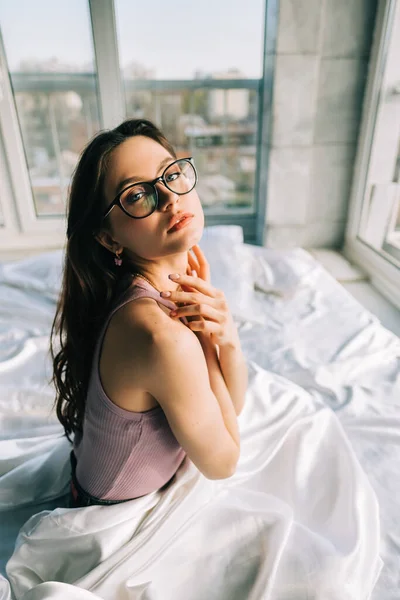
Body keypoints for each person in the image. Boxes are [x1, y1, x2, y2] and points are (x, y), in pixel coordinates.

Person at [50, 118, 248, 508]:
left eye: (170, 174)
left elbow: (229, 409)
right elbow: (224, 462)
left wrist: (225, 336)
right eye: (137, 195)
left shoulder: (167, 284)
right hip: (108, 513)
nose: (170, 198)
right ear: (109, 237)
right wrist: (207, 344)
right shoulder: (159, 335)